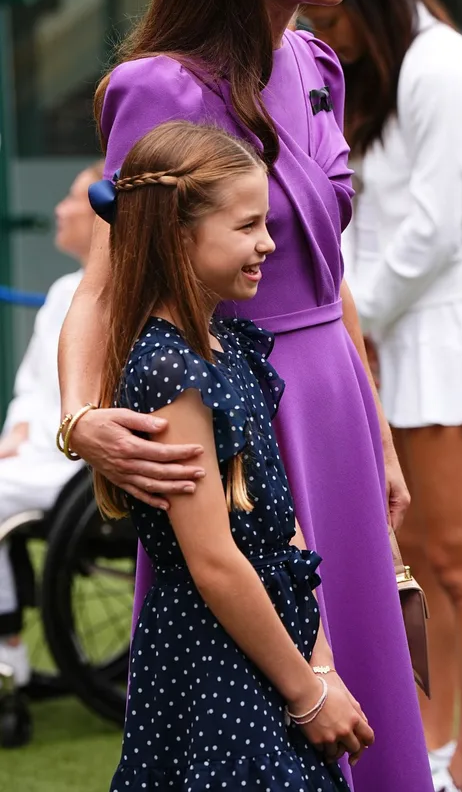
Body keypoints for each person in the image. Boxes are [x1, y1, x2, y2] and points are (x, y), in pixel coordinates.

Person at [57, 0, 432, 791]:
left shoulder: (320, 67)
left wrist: (379, 433)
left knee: (364, 679)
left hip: (335, 415)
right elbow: (106, 277)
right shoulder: (156, 88)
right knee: (254, 707)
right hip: (228, 423)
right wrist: (80, 416)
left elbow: (329, 268)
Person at [303, 0, 462, 792]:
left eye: (334, 16)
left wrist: (351, 327)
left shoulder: (438, 64)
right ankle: (433, 753)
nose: (326, 37)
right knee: (410, 565)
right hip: (383, 340)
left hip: (442, 341)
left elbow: (436, 230)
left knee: (461, 562)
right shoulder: (379, 74)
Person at [90, 120, 374, 791]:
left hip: (279, 643)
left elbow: (282, 530)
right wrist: (306, 693)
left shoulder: (233, 345)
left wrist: (321, 664)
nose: (269, 245)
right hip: (217, 660)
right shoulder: (171, 372)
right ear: (178, 235)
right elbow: (215, 563)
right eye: (247, 227)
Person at [0, 160, 102, 700]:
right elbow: (29, 386)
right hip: (34, 454)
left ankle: (7, 653)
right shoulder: (63, 289)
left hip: (73, 468)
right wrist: (15, 430)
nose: (60, 209)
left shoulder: (118, 297)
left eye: (73, 198)